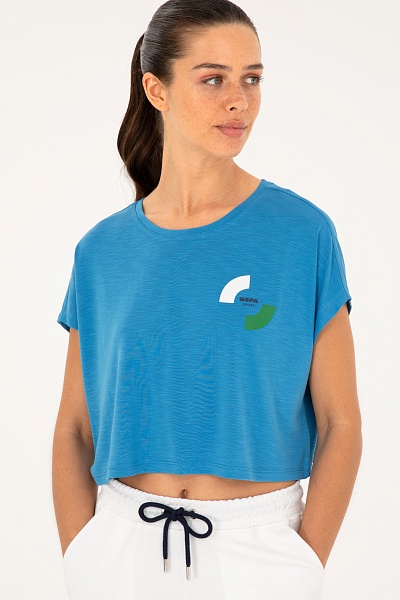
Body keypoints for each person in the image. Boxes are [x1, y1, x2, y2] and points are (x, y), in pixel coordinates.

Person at [52, 1, 363, 598]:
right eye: (213, 79)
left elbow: (340, 422)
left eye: (252, 78)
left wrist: (305, 562)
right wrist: (80, 554)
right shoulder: (102, 250)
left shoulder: (302, 234)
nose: (239, 100)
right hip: (119, 547)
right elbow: (73, 427)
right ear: (157, 89)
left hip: (262, 553)